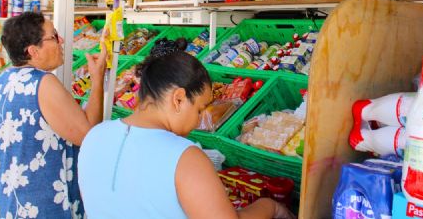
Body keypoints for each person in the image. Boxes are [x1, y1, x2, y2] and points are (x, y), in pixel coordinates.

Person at [78, 50, 295, 219]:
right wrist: (269, 207)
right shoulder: (185, 158)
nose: (200, 120)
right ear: (178, 99)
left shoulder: (94, 136)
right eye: (200, 109)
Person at [0, 12, 106, 218]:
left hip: (6, 204)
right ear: (33, 51)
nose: (62, 41)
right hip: (38, 205)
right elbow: (88, 134)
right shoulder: (42, 83)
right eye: (54, 36)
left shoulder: (3, 80)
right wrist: (98, 79)